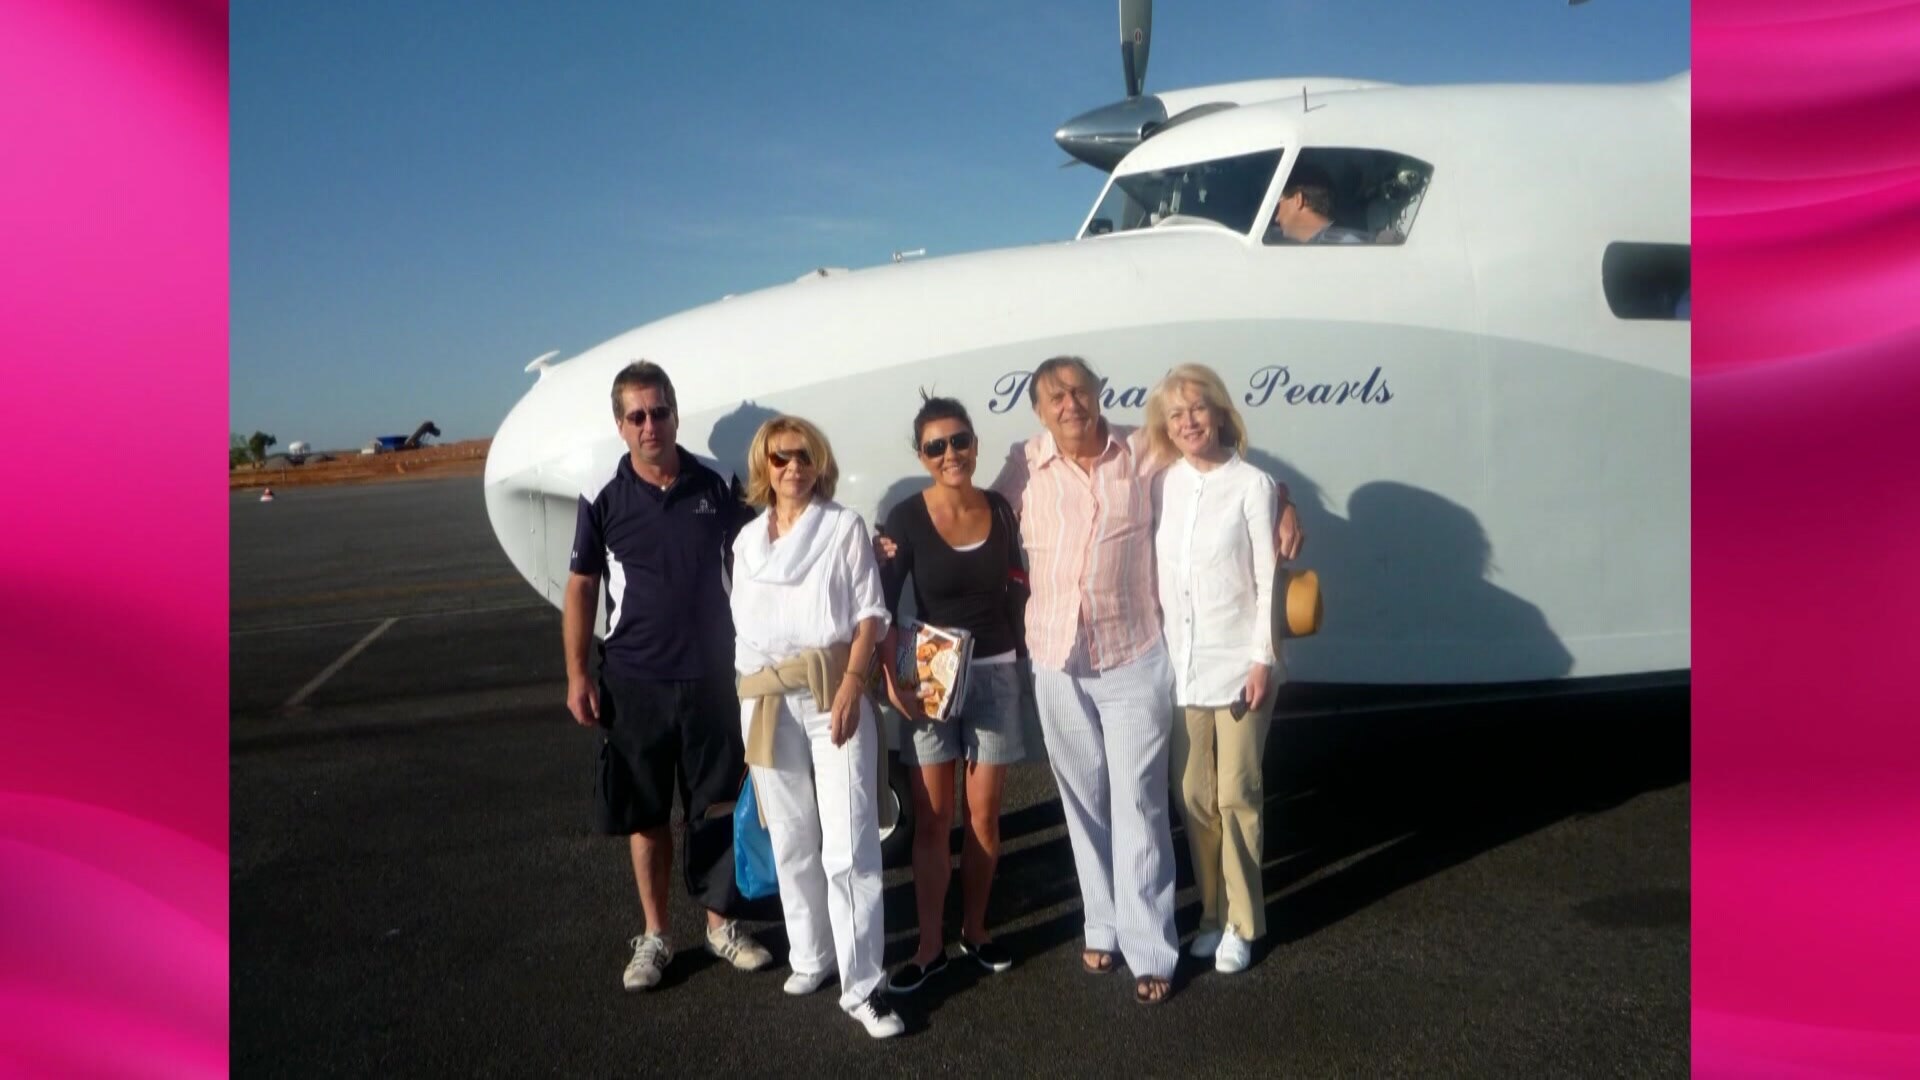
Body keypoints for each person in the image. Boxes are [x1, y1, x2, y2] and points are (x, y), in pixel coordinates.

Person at [988, 356, 1303, 1006]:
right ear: (1040, 412)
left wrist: (1287, 503)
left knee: (1138, 802)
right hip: (1055, 656)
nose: (1070, 403)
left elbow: (1216, 469)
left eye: (1079, 389)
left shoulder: (1142, 449)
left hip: (1133, 655)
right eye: (1055, 396)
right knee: (1082, 800)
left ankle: (1151, 946)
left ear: (1100, 393)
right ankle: (1101, 923)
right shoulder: (1025, 464)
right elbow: (976, 516)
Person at [564, 360, 775, 992]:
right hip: (635, 682)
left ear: (676, 416)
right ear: (621, 425)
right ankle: (655, 936)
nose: (650, 424)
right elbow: (581, 589)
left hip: (712, 678)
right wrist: (578, 673)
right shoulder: (603, 498)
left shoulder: (717, 487)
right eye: (637, 415)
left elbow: (765, 559)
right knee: (647, 814)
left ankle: (720, 926)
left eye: (659, 412)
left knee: (713, 808)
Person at [730, 415, 905, 1039]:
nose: (792, 468)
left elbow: (868, 613)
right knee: (792, 836)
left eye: (802, 456)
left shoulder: (842, 527)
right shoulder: (747, 542)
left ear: (819, 460)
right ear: (764, 467)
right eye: (780, 459)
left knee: (851, 841)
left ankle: (864, 987)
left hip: (834, 689)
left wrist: (856, 684)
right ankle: (812, 953)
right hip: (766, 698)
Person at [876, 395, 1027, 994]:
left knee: (984, 814)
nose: (950, 454)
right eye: (936, 446)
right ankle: (931, 944)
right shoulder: (906, 518)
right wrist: (891, 675)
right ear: (921, 454)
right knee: (935, 821)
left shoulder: (1000, 508)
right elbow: (882, 605)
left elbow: (1018, 578)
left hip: (994, 672)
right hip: (930, 679)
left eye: (959, 441)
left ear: (974, 444)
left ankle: (977, 929)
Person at [1145, 364, 1281, 976]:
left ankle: (1244, 924)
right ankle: (1210, 914)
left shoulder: (1253, 485)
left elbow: (1267, 578)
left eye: (1198, 409)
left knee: (1237, 795)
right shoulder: (1164, 483)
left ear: (1221, 413)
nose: (1188, 422)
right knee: (1194, 797)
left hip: (1239, 667)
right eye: (1176, 415)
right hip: (1182, 668)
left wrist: (1263, 658)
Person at [1266, 163, 1370, 245]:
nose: (1277, 218)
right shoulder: (1333, 244)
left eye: (1278, 204)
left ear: (1298, 199)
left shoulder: (1345, 247)